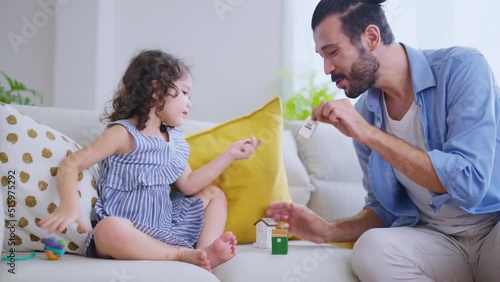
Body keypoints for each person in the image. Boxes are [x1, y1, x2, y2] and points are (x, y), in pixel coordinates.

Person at [267, 0, 500, 281]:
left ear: (371, 37)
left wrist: (368, 133)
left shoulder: (461, 68)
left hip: (492, 229)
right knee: (371, 249)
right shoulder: (367, 113)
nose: (328, 68)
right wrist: (326, 230)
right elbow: (384, 211)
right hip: (437, 242)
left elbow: (469, 183)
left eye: (333, 52)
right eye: (321, 56)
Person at [39, 50, 262, 271]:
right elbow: (71, 164)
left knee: (215, 195)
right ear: (157, 91)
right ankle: (181, 254)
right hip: (128, 231)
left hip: (166, 227)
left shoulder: (173, 139)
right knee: (107, 230)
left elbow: (189, 184)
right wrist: (69, 205)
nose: (189, 103)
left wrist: (230, 154)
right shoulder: (123, 134)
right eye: (184, 92)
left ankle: (204, 255)